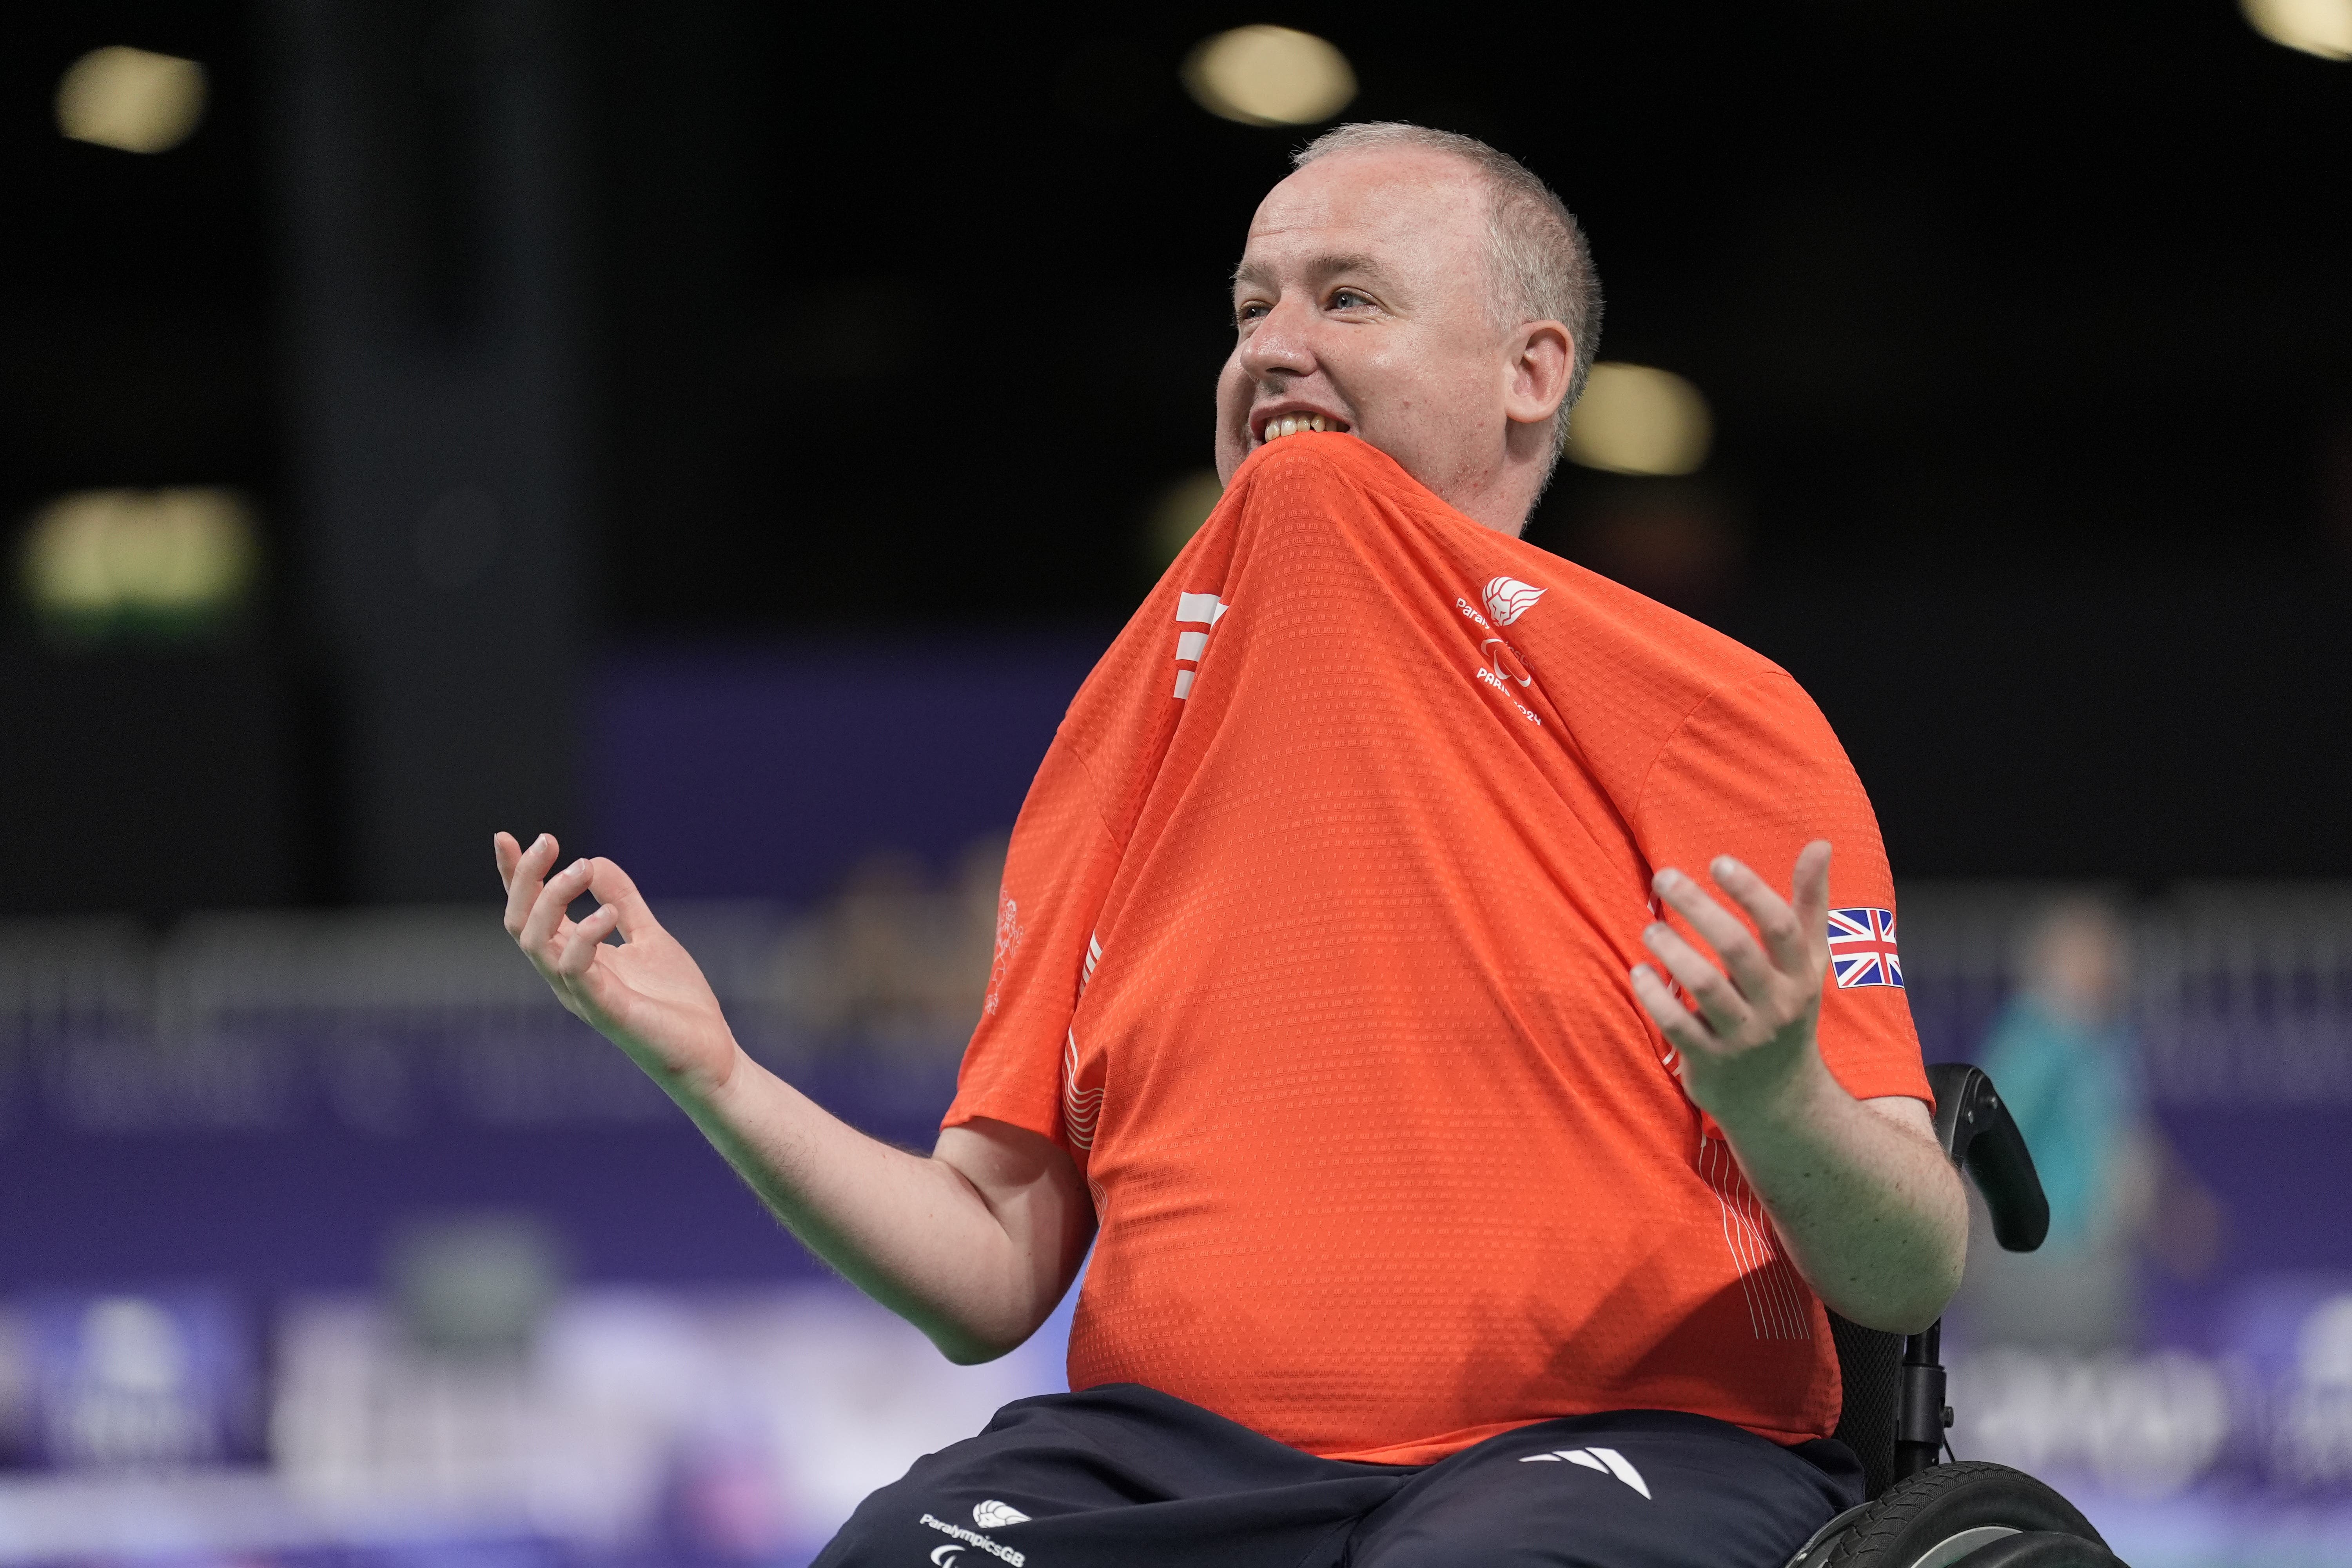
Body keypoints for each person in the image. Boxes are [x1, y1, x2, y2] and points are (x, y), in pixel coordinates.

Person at [495, 123, 1967, 1566]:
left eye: (1349, 298)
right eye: (1252, 306)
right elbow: (988, 1273)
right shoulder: (1118, 733)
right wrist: (721, 1077)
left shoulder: (1712, 717)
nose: (1275, 344)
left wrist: (1776, 1098)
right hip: (1175, 1465)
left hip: (1623, 1445)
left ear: (1530, 374)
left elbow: (1909, 1261)